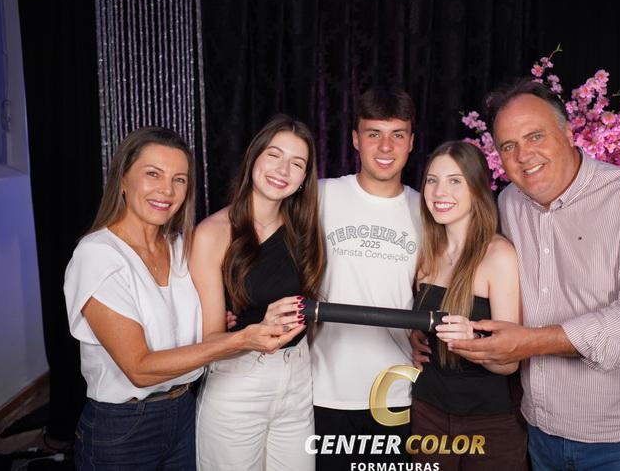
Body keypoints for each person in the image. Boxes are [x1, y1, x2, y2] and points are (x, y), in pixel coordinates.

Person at [444, 80, 620, 470]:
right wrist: (427, 325)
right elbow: (479, 276)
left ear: (569, 133)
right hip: (540, 430)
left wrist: (531, 343)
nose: (524, 155)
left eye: (535, 136)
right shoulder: (508, 203)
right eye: (508, 146)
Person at [63, 127, 295, 470]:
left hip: (184, 410)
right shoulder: (98, 255)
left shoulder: (179, 248)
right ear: (123, 179)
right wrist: (239, 340)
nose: (167, 190)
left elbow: (178, 324)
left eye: (179, 179)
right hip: (124, 426)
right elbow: (139, 369)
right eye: (153, 174)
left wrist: (213, 322)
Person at [191, 115, 324, 470]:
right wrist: (254, 332)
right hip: (238, 383)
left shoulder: (304, 232)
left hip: (298, 378)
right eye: (274, 155)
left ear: (304, 178)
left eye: (297, 163)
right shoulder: (212, 233)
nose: (283, 170)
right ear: (254, 157)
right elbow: (209, 339)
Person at [310, 86, 421, 470]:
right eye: (374, 134)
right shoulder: (320, 196)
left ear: (411, 142)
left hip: (396, 392)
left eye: (397, 135)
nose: (386, 146)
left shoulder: (427, 209)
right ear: (356, 139)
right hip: (322, 390)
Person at [410, 141, 526, 470]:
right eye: (432, 180)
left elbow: (509, 364)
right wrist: (412, 336)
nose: (439, 192)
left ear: (477, 188)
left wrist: (471, 340)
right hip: (428, 413)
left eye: (455, 181)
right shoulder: (427, 253)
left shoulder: (498, 255)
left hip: (490, 423)